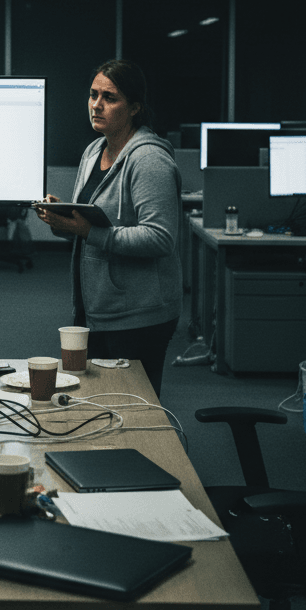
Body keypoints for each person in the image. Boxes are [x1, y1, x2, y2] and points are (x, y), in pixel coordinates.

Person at [35, 60, 182, 397]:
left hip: (139, 314)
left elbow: (160, 237)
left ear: (134, 108)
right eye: (93, 95)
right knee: (100, 403)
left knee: (132, 409)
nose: (96, 105)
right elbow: (87, 223)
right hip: (98, 308)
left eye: (110, 97)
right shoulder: (94, 150)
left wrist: (90, 232)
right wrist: (61, 219)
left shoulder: (148, 159)